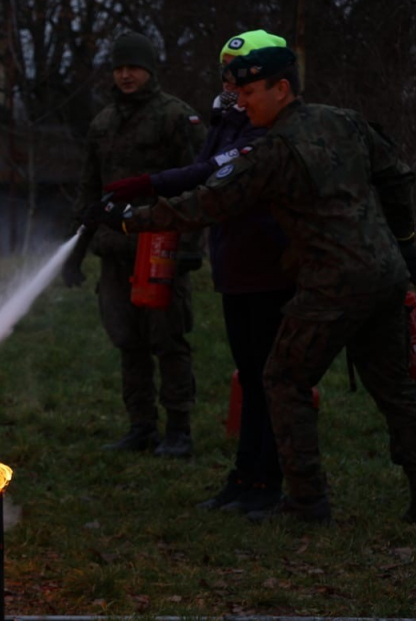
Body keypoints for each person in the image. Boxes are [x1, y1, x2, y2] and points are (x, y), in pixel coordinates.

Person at [84, 46, 416, 524]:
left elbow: (208, 204)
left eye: (249, 92)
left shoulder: (272, 151)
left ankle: (306, 502)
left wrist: (128, 221)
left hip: (330, 286)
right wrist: (406, 244)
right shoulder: (345, 121)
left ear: (282, 88)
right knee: (396, 393)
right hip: (386, 276)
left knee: (282, 380)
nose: (241, 103)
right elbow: (396, 175)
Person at [102, 30, 289, 513]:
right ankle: (245, 478)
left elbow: (209, 180)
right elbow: (208, 165)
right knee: (250, 378)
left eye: (243, 81)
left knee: (269, 380)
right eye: (227, 76)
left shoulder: (270, 131)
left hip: (268, 267)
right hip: (234, 264)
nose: (233, 89)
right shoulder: (227, 117)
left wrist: (145, 196)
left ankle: (268, 483)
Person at [62, 32, 207, 456]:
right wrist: (76, 249)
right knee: (128, 341)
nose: (126, 75)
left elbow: (200, 186)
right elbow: (90, 189)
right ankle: (141, 426)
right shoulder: (103, 123)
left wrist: (188, 246)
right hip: (114, 252)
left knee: (169, 340)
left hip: (160, 249)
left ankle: (179, 429)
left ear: (150, 70)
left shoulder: (176, 118)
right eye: (119, 68)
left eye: (134, 67)